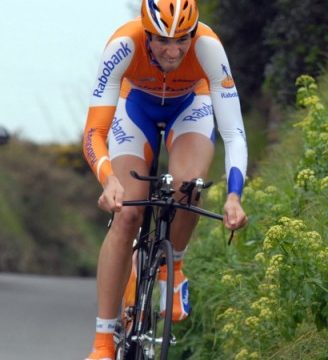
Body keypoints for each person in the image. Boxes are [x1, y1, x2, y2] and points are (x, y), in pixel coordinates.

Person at [82, 1, 248, 359]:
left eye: (182, 40)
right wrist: (109, 180)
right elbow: (93, 132)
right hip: (135, 107)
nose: (174, 51)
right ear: (145, 32)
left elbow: (234, 133)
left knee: (189, 187)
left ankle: (173, 268)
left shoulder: (208, 46)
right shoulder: (123, 45)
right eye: (162, 41)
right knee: (127, 212)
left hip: (190, 106)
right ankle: (103, 343)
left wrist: (235, 195)